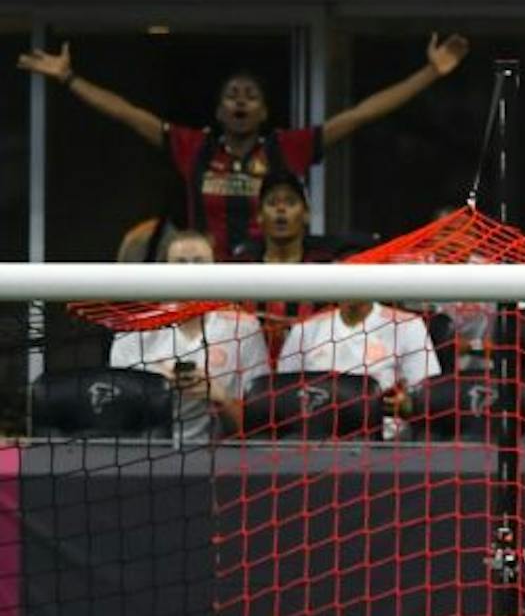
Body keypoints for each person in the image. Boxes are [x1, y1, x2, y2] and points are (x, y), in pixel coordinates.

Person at [18, 34, 469, 259]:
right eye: (231, 95)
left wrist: (430, 74)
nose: (240, 101)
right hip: (204, 281)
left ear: (264, 112)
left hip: (271, 279)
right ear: (217, 111)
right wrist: (69, 79)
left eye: (250, 96)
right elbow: (125, 113)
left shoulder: (285, 149)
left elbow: (362, 115)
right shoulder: (193, 147)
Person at [106, 230, 270, 444]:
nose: (191, 272)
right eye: (181, 263)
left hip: (222, 457)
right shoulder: (132, 332)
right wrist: (159, 393)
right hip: (145, 454)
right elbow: (115, 416)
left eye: (199, 263)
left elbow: (260, 425)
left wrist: (221, 398)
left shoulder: (244, 328)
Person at [275, 299, 440, 429]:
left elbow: (426, 396)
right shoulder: (306, 328)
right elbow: (283, 392)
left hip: (383, 434)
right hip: (311, 431)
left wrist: (404, 402)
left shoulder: (407, 325)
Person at [233, 170, 343, 360]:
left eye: (290, 202)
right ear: (259, 216)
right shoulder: (240, 270)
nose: (281, 210)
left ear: (306, 214)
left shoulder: (326, 270)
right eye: (272, 203)